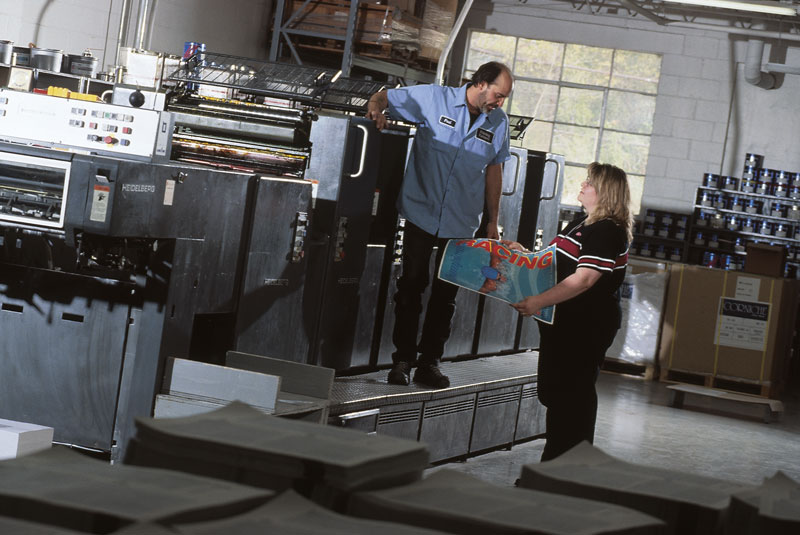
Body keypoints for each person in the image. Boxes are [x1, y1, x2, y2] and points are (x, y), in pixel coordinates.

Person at [366, 62, 513, 389]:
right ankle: (403, 360)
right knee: (411, 286)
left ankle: (429, 363)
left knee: (446, 295)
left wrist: (493, 220)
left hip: (462, 220)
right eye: (499, 94)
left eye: (504, 97)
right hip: (421, 210)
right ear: (481, 83)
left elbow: (494, 171)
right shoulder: (435, 99)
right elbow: (384, 96)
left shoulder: (498, 122)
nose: (501, 102)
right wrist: (376, 109)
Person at [505, 162, 632, 461]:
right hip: (565, 322)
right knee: (556, 393)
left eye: (590, 182)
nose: (583, 185)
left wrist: (539, 301)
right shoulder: (583, 223)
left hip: (586, 325)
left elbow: (584, 279)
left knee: (572, 397)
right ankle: (556, 467)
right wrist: (525, 255)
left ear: (605, 192)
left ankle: (564, 469)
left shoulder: (606, 231)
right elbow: (557, 264)